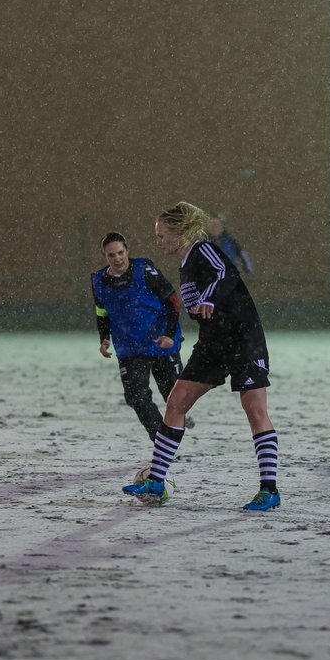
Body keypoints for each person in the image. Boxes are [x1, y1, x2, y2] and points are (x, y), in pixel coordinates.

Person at [122, 201, 280, 511]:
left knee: (254, 409)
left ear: (180, 232)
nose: (159, 242)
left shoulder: (202, 249)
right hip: (213, 341)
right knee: (177, 402)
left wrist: (209, 299)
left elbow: (225, 273)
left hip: (242, 336)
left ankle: (269, 490)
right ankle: (157, 478)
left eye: (162, 235)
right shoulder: (184, 262)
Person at [91, 232, 192, 441]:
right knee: (136, 397)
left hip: (161, 343)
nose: (117, 258)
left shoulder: (144, 270)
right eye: (112, 255)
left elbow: (172, 300)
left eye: (120, 253)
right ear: (104, 256)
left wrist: (169, 334)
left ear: (127, 251)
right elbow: (101, 310)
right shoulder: (98, 280)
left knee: (174, 397)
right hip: (130, 347)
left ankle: (178, 420)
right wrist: (104, 337)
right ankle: (161, 440)